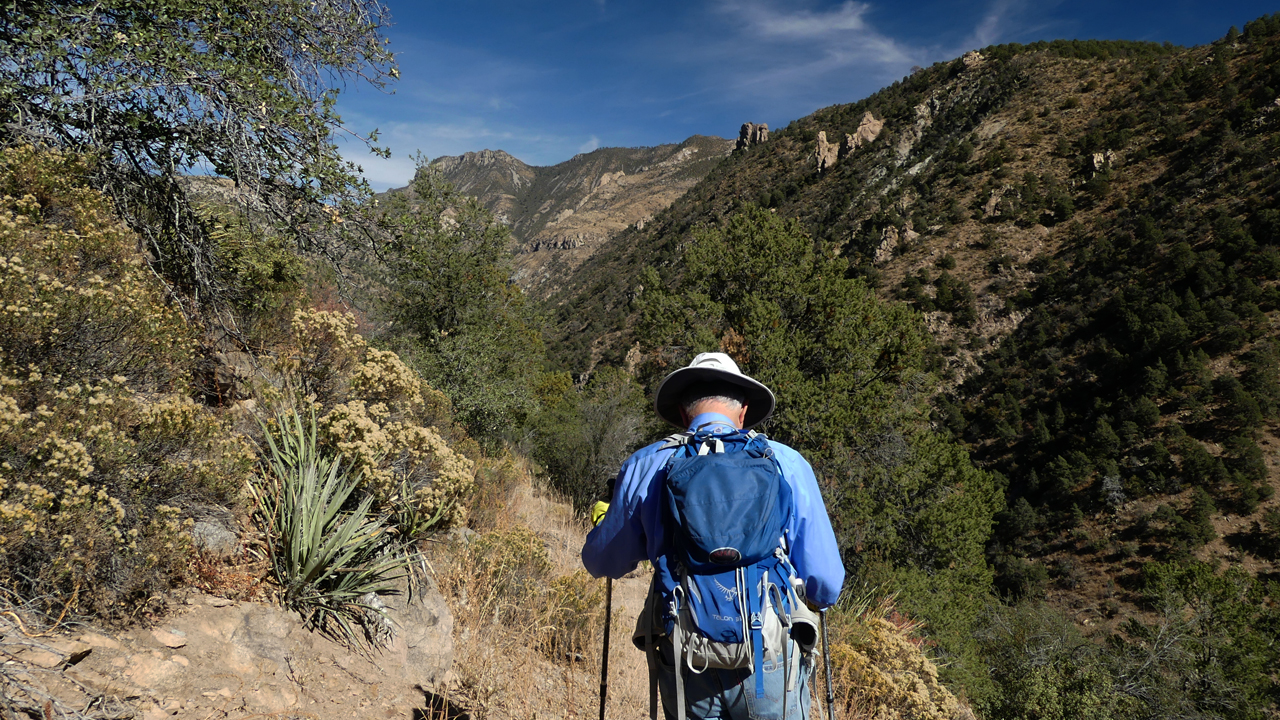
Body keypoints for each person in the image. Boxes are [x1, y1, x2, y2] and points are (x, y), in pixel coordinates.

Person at [582, 352, 844, 720]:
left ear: (685, 413)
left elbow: (602, 561)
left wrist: (602, 520)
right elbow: (827, 583)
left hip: (686, 651)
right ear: (743, 411)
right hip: (769, 651)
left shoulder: (648, 462)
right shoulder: (786, 462)